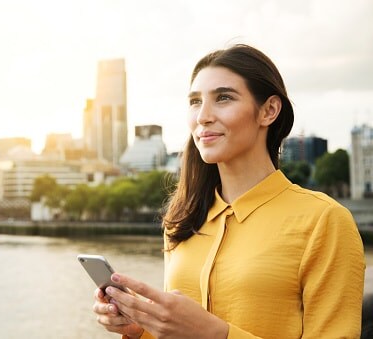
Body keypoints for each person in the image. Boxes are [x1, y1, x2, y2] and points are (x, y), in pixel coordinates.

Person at [92, 44, 366, 338]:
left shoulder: (324, 221)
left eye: (223, 98)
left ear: (269, 110)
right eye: (195, 102)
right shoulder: (182, 220)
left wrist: (217, 334)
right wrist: (141, 330)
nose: (203, 116)